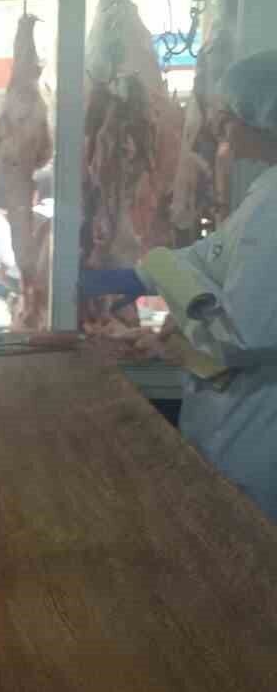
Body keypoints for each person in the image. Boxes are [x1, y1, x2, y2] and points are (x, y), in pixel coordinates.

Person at [81, 49, 277, 523]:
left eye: (229, 115)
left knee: (239, 544)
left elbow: (244, 333)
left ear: (264, 117)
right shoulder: (266, 191)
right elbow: (214, 257)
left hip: (253, 427)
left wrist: (171, 325)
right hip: (233, 411)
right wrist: (142, 276)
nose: (220, 125)